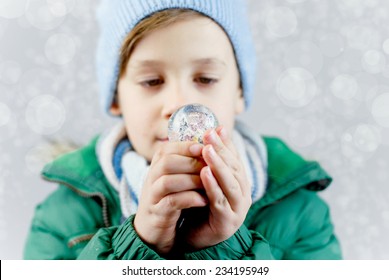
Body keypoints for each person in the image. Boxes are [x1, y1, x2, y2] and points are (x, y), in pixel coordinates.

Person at [24, 0, 342, 260]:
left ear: (239, 92)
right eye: (151, 81)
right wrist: (140, 243)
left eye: (205, 79)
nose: (180, 106)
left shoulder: (300, 214)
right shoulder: (62, 218)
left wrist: (223, 246)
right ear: (116, 97)